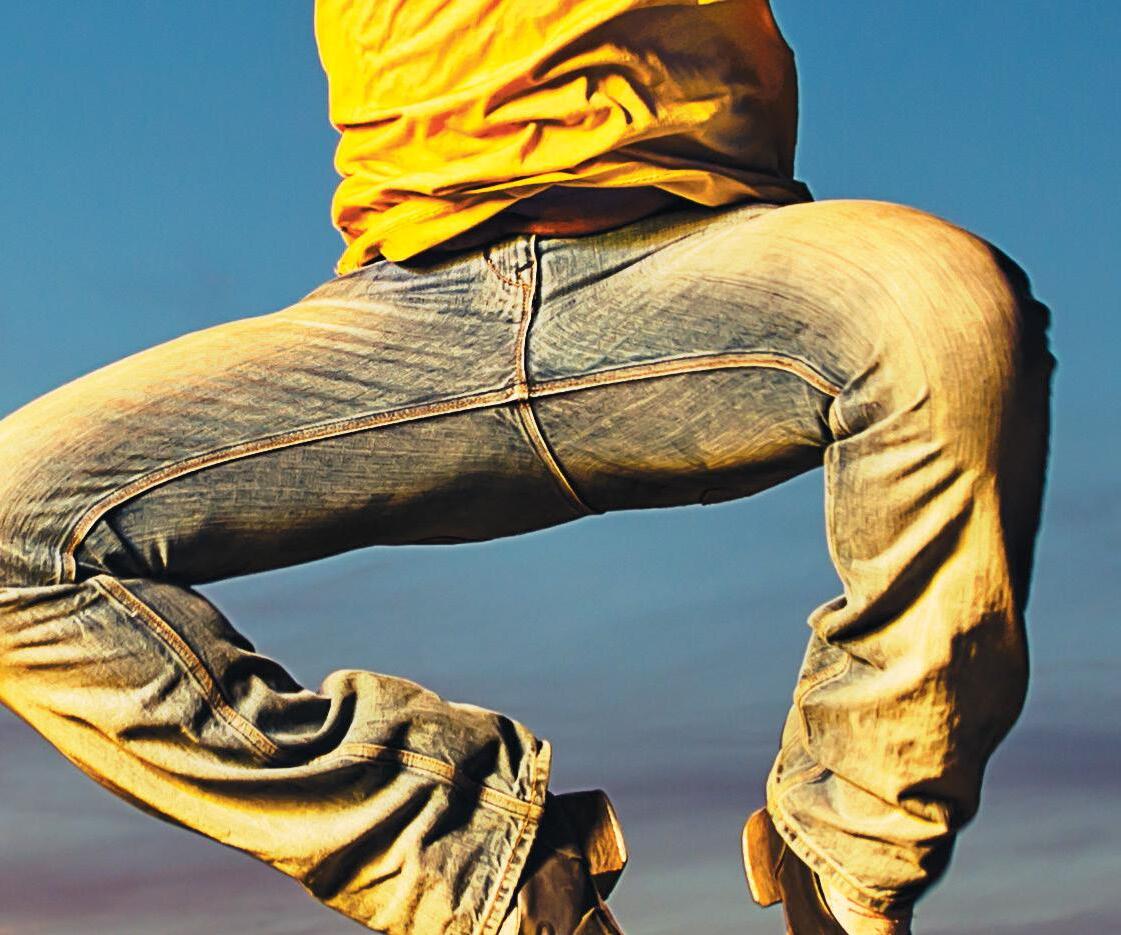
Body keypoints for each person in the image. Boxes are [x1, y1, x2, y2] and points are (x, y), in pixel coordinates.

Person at [0, 2, 1055, 933]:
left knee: (943, 317)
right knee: (14, 524)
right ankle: (487, 865)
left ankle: (843, 858)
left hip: (702, 276)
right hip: (406, 314)